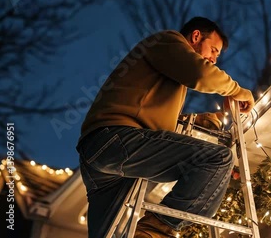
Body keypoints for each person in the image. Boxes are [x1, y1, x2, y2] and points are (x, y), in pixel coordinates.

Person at [76, 17, 255, 238]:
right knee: (218, 159)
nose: (214, 59)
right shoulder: (167, 40)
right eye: (214, 50)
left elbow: (158, 118)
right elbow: (201, 74)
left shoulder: (163, 69)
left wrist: (208, 119)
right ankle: (153, 231)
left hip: (100, 155)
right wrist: (237, 91)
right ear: (196, 36)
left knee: (108, 234)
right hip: (116, 138)